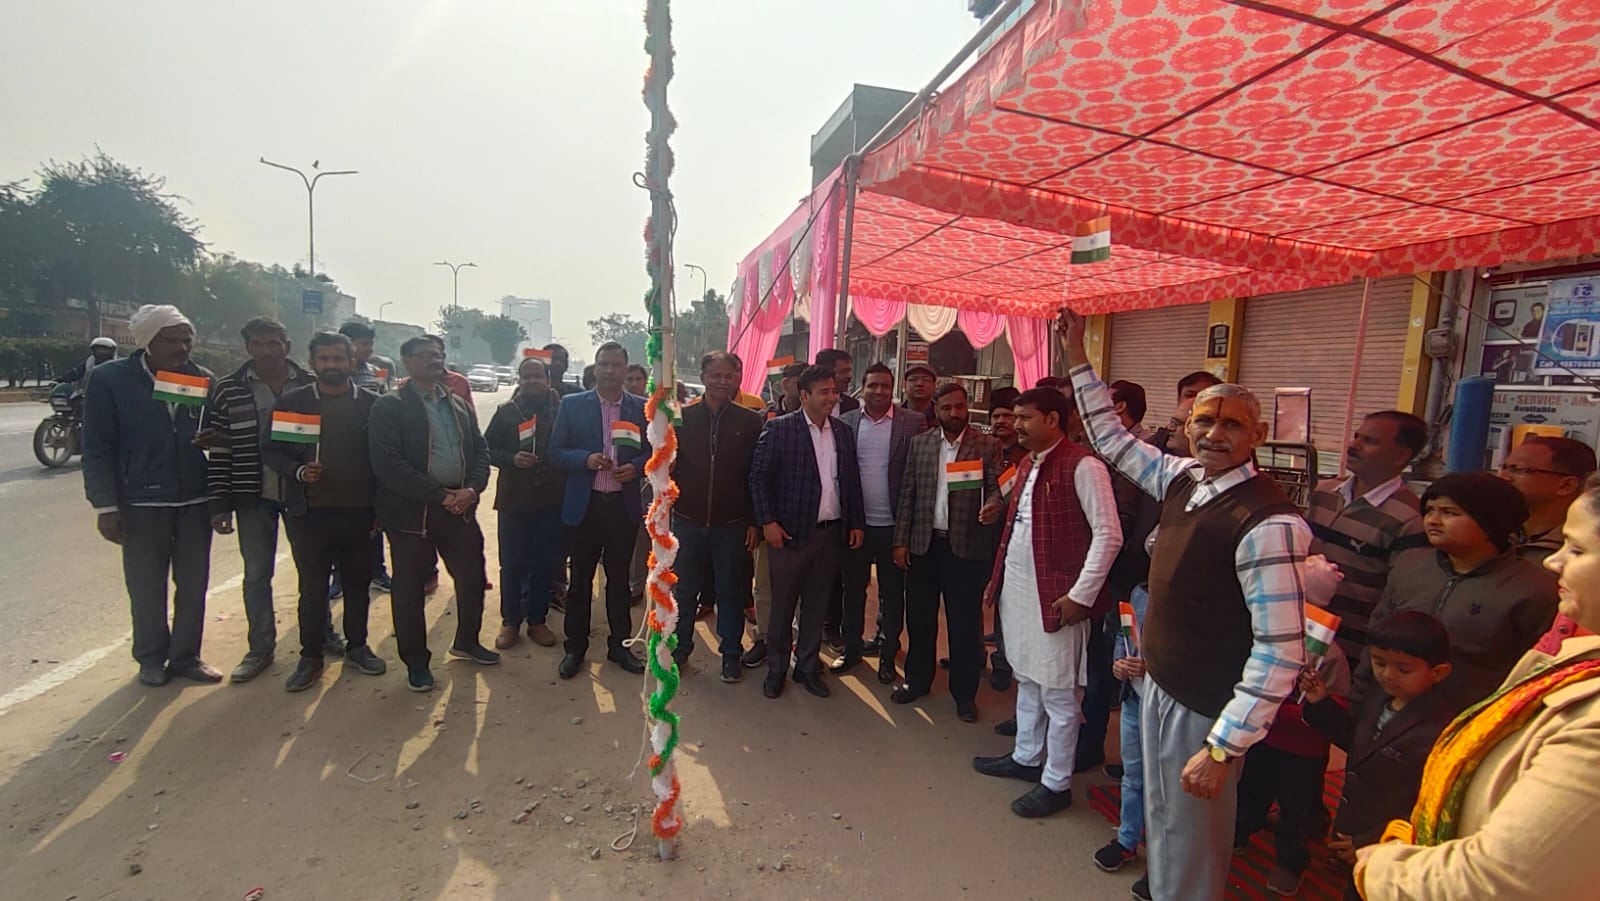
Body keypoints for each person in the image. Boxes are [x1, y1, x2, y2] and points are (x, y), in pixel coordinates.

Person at [1061, 308, 1311, 901]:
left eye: (1231, 424)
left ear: (1258, 436)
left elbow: (1281, 650)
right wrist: (1077, 358)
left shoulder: (1269, 522)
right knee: (1166, 817)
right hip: (1160, 683)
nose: (1214, 433)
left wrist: (1224, 746)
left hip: (1206, 704)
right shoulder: (1184, 479)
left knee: (1194, 832)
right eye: (1204, 420)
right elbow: (1112, 440)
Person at [1350, 475, 1600, 900]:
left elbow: (1498, 878)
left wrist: (1380, 868)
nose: (1554, 563)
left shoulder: (1532, 596)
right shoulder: (1412, 568)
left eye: (1576, 550)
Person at [973, 387, 1122, 814]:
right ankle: (1026, 756)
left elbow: (1109, 535)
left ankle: (1056, 783)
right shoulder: (1028, 462)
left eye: (1025, 418)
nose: (1015, 425)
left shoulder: (1084, 466)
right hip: (1020, 593)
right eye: (1015, 417)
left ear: (1053, 420)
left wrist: (1081, 595)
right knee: (1028, 679)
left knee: (1058, 693)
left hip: (1058, 599)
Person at [82, 304, 222, 686]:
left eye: (186, 340)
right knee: (146, 586)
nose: (181, 348)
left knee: (193, 585)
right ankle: (150, 658)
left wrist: (217, 440)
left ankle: (186, 657)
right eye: (171, 340)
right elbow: (96, 447)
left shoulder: (202, 379)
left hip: (194, 500)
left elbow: (219, 433)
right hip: (140, 502)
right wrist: (105, 505)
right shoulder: (111, 380)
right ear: (148, 341)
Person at [1354, 473, 1558, 708]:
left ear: (1491, 524)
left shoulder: (1532, 590)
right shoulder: (1409, 568)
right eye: (1429, 510)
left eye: (1449, 513)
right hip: (1388, 711)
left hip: (1470, 718)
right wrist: (1358, 701)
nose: (1433, 520)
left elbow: (1534, 672)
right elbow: (1375, 640)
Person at [203, 317, 333, 683]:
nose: (267, 351)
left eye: (274, 343)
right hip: (253, 494)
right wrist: (218, 502)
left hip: (303, 494)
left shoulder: (311, 384)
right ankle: (260, 648)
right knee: (257, 574)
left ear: (287, 346)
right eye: (258, 344)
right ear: (247, 347)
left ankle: (323, 634)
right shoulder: (228, 390)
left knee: (313, 570)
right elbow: (220, 449)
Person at [1299, 611, 1458, 901]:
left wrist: (1369, 840)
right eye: (1379, 663)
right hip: (1354, 822)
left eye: (1403, 669)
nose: (1387, 674)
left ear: (1438, 672)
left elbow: (1428, 802)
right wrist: (1320, 702)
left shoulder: (1440, 728)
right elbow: (1357, 744)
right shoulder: (1379, 698)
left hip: (1390, 842)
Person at [370, 335, 497, 693]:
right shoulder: (390, 407)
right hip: (413, 515)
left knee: (472, 578)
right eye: (426, 355)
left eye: (438, 355)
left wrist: (471, 490)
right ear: (407, 361)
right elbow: (388, 464)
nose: (435, 360)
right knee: (410, 590)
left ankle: (467, 642)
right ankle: (416, 663)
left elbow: (481, 451)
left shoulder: (457, 404)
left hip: (459, 510)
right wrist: (439, 495)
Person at [263, 332, 386, 692]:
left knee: (357, 585)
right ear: (312, 362)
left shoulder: (373, 405)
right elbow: (272, 450)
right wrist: (298, 471)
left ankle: (358, 647)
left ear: (351, 362)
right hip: (310, 514)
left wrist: (382, 508)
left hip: (360, 513)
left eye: (338, 359)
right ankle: (310, 656)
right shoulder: (294, 402)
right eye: (324, 359)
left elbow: (387, 459)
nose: (331, 365)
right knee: (313, 589)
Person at [748, 364, 865, 699]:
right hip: (789, 534)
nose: (832, 397)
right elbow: (758, 478)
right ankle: (776, 669)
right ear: (804, 395)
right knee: (783, 606)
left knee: (816, 604)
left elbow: (850, 481)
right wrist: (768, 522)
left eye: (834, 391)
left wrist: (855, 522)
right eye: (824, 392)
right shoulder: (780, 429)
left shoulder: (842, 431)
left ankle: (807, 666)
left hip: (829, 534)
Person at [892, 382, 1006, 719]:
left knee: (965, 624)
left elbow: (998, 487)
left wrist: (995, 504)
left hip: (966, 547)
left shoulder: (987, 445)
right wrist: (901, 541)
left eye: (959, 406)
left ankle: (964, 694)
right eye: (946, 408)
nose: (954, 413)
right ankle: (917, 680)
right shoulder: (921, 444)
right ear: (936, 410)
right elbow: (908, 493)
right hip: (924, 545)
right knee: (920, 619)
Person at [550, 341, 651, 679]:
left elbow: (655, 452)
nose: (609, 370)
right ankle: (575, 648)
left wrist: (635, 467)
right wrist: (585, 459)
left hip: (622, 508)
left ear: (625, 369)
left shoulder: (641, 409)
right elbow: (555, 452)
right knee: (579, 582)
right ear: (595, 367)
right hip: (586, 507)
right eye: (603, 364)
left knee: (619, 583)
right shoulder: (572, 405)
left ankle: (619, 647)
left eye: (616, 365)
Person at [1309, 411, 1431, 667]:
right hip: (1304, 632)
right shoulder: (1325, 493)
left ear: (1401, 456)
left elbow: (1401, 596)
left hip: (1352, 648)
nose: (1353, 446)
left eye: (1369, 441)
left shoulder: (1409, 518)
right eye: (1356, 436)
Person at [670, 352, 763, 682]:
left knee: (730, 591)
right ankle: (680, 648)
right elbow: (668, 467)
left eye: (729, 376)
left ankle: (731, 653)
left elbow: (756, 475)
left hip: (732, 523)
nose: (723, 381)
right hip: (687, 519)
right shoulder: (681, 418)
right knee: (684, 590)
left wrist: (754, 521)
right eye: (716, 375)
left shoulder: (751, 421)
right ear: (703, 377)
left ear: (738, 378)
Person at [1233, 637, 1352, 895]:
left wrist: (1282, 713)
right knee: (1250, 792)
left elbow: (1338, 708)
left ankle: (1290, 863)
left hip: (1304, 750)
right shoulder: (1266, 634)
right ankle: (1240, 833)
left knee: (1296, 812)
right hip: (1263, 739)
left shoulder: (1330, 654)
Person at [836, 363, 929, 683]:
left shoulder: (913, 422)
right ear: (862, 388)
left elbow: (919, 475)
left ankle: (888, 655)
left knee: (892, 594)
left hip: (894, 527)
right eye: (872, 385)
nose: (878, 391)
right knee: (853, 591)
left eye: (885, 386)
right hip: (857, 526)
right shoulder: (846, 422)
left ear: (894, 389)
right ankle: (851, 649)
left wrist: (908, 529)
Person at [483, 355, 564, 650]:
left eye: (537, 376)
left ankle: (537, 621)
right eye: (526, 376)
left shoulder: (562, 411)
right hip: (513, 502)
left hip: (550, 502)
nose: (532, 381)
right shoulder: (507, 412)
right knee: (512, 564)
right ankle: (511, 622)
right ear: (520, 380)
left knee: (543, 564)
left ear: (548, 380)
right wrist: (511, 458)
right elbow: (485, 449)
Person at [742, 359, 816, 671]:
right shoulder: (764, 417)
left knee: (802, 588)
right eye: (798, 380)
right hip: (769, 518)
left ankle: (795, 642)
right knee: (765, 584)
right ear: (786, 384)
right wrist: (759, 520)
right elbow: (754, 474)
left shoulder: (824, 422)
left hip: (807, 520)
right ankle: (764, 638)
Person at [1500, 435, 1598, 651]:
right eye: (1504, 467)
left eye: (1519, 470)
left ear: (1566, 484)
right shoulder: (1489, 538)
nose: (1503, 476)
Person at [1095, 582, 1151, 899]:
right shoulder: (1140, 593)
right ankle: (1127, 840)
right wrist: (1119, 662)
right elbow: (1124, 635)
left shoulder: (1184, 601)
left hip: (1163, 706)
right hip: (1133, 699)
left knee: (1162, 789)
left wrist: (1150, 668)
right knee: (1132, 775)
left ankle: (1161, 862)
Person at [338, 321, 396, 595]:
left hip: (370, 457)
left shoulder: (377, 373)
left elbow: (388, 406)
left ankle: (377, 571)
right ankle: (339, 576)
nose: (367, 349)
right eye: (362, 344)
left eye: (370, 344)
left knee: (375, 519)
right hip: (338, 460)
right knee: (339, 524)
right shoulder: (330, 375)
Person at [1150, 370, 1223, 456]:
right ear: (1178, 399)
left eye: (1205, 397)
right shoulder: (1158, 443)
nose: (1196, 401)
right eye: (1190, 395)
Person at [814, 348, 860, 416]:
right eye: (844, 371)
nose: (849, 376)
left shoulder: (852, 405)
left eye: (849, 371)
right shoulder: (805, 402)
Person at [987, 386, 1025, 468]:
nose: (1000, 421)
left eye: (1007, 416)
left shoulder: (1029, 450)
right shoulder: (981, 447)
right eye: (996, 416)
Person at [902, 363, 938, 428]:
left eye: (926, 379)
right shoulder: (894, 416)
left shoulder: (944, 416)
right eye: (913, 379)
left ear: (934, 385)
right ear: (904, 385)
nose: (919, 384)